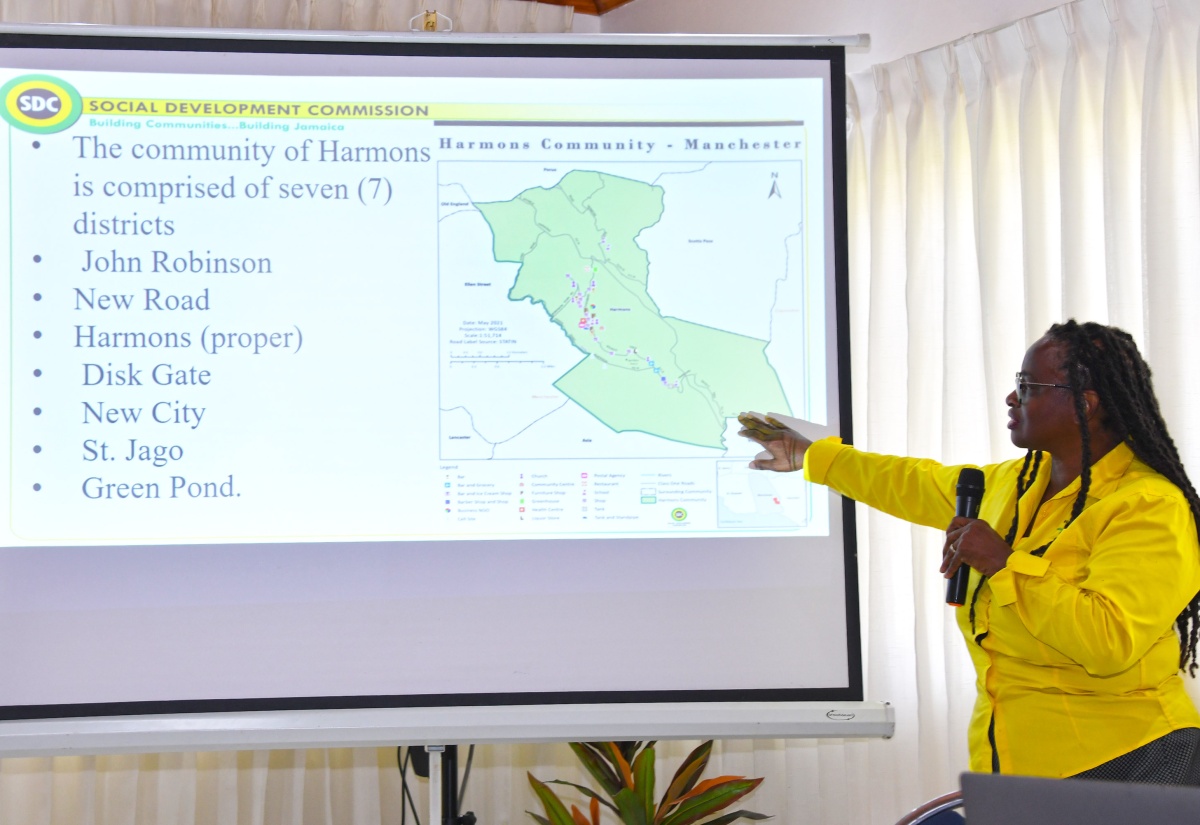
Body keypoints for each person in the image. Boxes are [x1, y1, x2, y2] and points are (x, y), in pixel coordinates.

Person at [739, 320, 1200, 784]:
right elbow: (914, 483)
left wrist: (1003, 564)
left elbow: (1109, 641)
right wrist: (812, 455)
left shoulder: (1149, 506)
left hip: (1130, 760)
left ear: (1084, 403)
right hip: (1018, 763)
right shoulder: (1015, 484)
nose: (1012, 398)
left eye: (1027, 385)